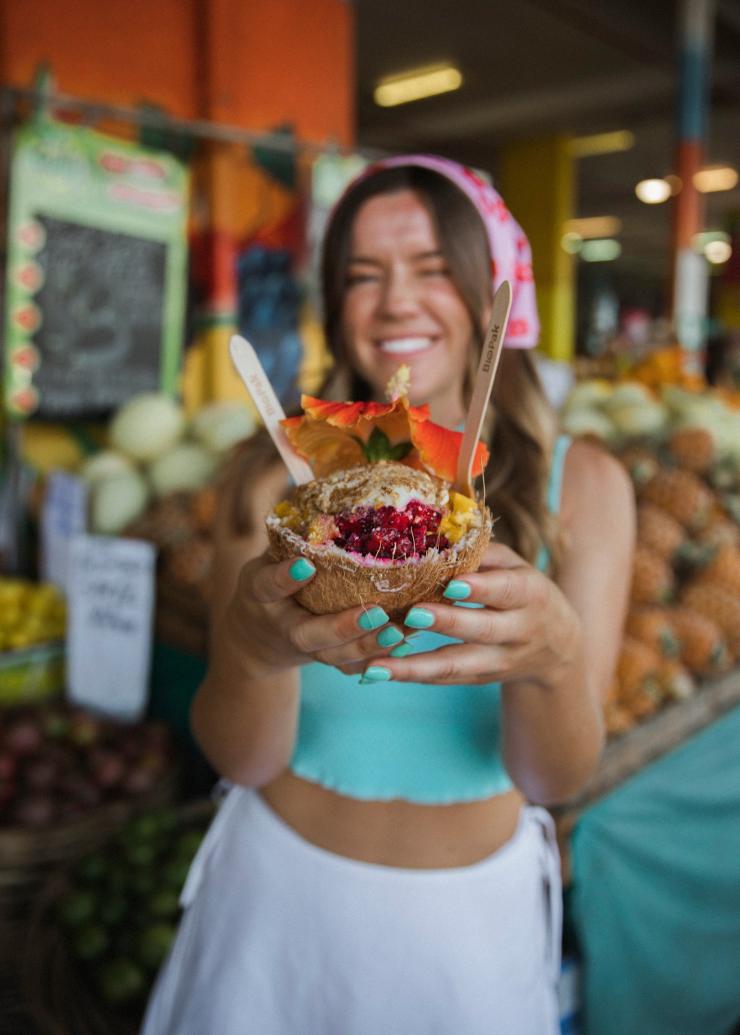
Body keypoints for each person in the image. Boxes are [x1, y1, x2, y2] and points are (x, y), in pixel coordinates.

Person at [141, 154, 635, 1034]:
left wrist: (553, 660)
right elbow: (240, 760)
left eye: (433, 268)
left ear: (495, 294)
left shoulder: (585, 489)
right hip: (272, 904)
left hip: (469, 934)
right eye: (362, 275)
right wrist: (257, 650)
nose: (396, 301)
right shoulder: (273, 488)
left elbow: (553, 778)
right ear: (337, 308)